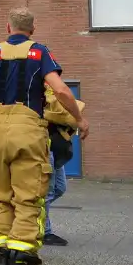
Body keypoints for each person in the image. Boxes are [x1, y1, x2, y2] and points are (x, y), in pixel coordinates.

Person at [0, 7, 84, 265]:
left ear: (8, 28)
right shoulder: (39, 52)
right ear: (33, 29)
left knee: (1, 192)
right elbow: (60, 90)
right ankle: (21, 251)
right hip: (28, 130)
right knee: (29, 193)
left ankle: (0, 245)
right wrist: (80, 119)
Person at [41, 87, 87, 247]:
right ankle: (44, 232)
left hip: (56, 146)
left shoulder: (50, 90)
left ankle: (29, 211)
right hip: (45, 146)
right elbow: (62, 97)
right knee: (47, 192)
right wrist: (78, 118)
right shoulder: (38, 91)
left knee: (59, 188)